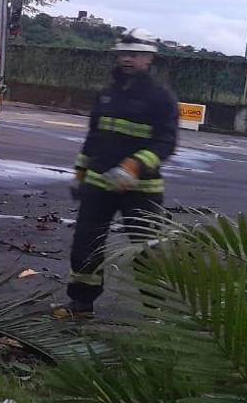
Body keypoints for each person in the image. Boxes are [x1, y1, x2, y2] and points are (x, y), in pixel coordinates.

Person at [54, 28, 179, 319]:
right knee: (86, 245)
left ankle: (157, 310)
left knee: (146, 249)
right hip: (98, 186)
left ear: (149, 58)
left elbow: (166, 142)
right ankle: (81, 305)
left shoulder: (161, 98)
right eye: (123, 53)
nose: (127, 59)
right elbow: (94, 137)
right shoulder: (108, 94)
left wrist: (134, 165)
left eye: (134, 54)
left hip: (141, 190)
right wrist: (81, 172)